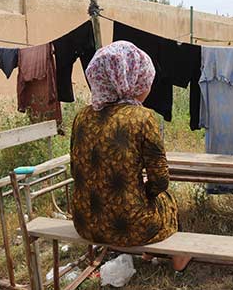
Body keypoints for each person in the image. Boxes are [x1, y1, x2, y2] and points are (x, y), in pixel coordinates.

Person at [70, 41, 191, 271]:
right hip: (130, 226)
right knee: (167, 200)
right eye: (145, 80)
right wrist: (142, 192)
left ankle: (149, 252)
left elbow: (76, 170)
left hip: (85, 222)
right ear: (128, 81)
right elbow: (160, 181)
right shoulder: (141, 118)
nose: (148, 86)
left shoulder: (81, 117)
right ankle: (178, 259)